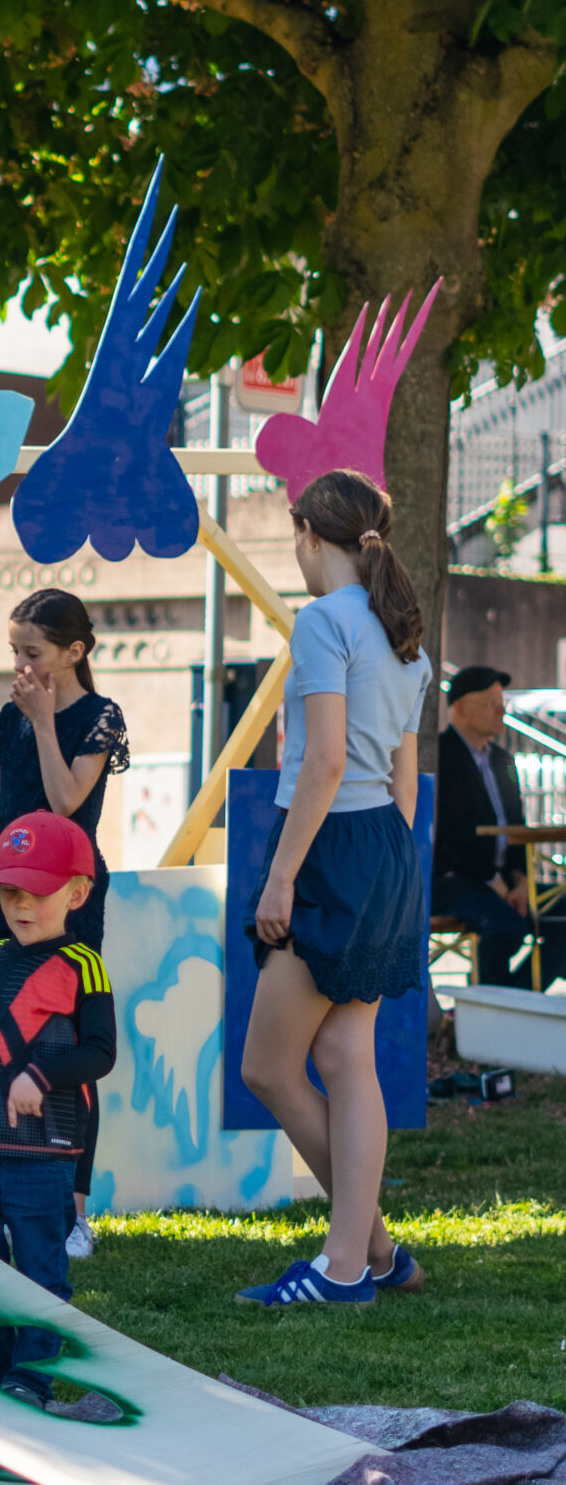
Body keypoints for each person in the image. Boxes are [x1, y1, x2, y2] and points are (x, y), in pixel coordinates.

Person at [237, 469, 431, 1309]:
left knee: (269, 1067)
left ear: (311, 536)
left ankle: (356, 1258)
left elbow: (321, 760)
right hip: (385, 845)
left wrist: (282, 875)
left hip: (330, 847)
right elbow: (406, 779)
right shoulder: (402, 635)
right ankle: (366, 1256)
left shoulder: (321, 622)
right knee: (345, 1059)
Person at [0, 811, 116, 1406]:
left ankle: (30, 1377)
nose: (21, 905)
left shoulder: (84, 964)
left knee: (41, 1270)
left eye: (37, 891)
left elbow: (100, 1053)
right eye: (9, 891)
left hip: (43, 1154)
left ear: (79, 893)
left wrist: (40, 1073)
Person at [0, 588, 129, 1259]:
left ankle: (73, 1208)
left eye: (32, 651)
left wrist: (41, 720)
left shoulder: (98, 715)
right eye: (14, 651)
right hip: (5, 893)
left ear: (75, 652)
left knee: (65, 1040)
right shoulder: (10, 717)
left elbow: (67, 800)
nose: (22, 664)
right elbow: (3, 808)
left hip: (68, 892)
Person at [432, 666, 549, 988]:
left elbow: (516, 825)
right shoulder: (440, 756)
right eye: (489, 702)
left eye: (502, 702)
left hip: (499, 880)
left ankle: (511, 1003)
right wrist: (492, 882)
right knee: (505, 928)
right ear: (459, 707)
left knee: (559, 919)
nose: (500, 710)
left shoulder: (503, 760)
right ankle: (485, 1014)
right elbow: (450, 833)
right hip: (450, 880)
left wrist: (521, 880)